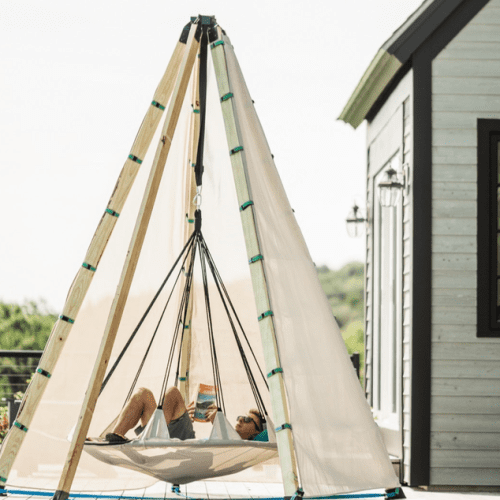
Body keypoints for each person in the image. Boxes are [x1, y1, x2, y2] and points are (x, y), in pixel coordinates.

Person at [93, 386, 263, 444]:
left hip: (184, 442)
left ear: (255, 433)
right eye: (240, 416)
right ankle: (114, 437)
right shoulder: (229, 433)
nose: (240, 419)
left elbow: (228, 443)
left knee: (173, 392)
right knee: (142, 394)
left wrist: (217, 419)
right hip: (177, 437)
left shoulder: (239, 444)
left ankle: (153, 434)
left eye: (247, 420)